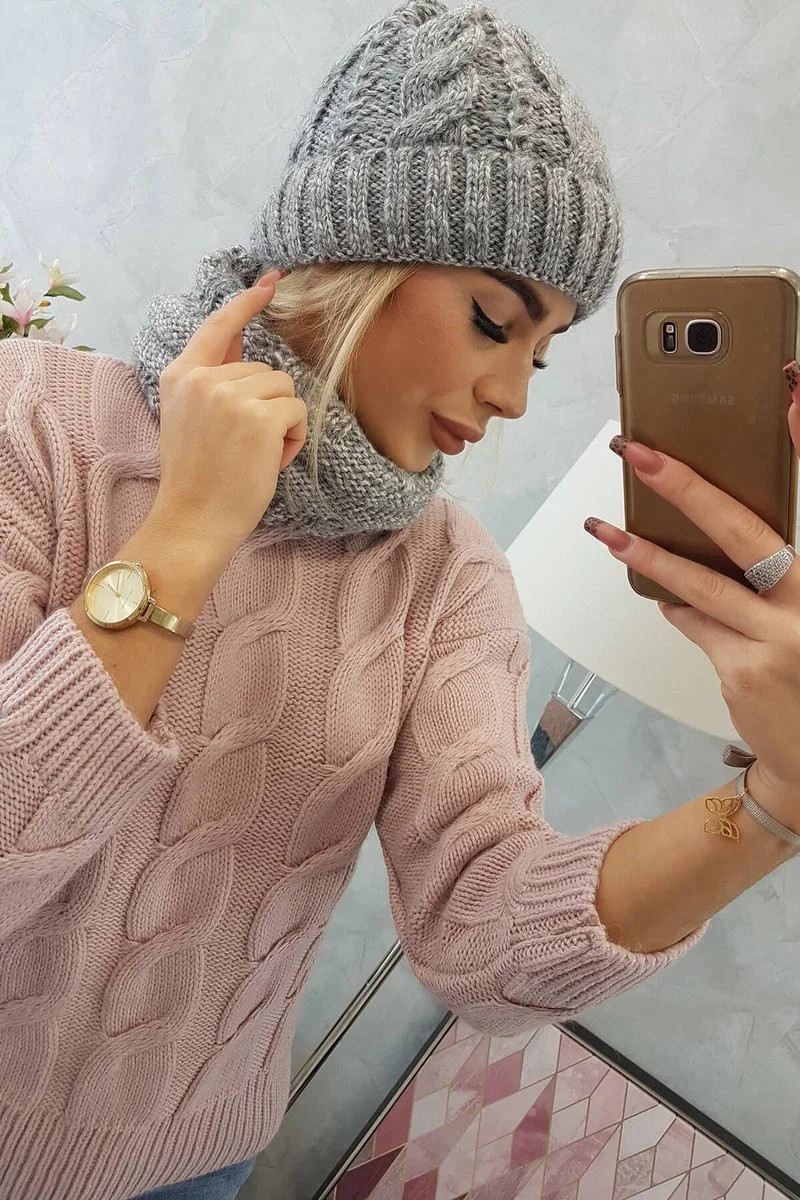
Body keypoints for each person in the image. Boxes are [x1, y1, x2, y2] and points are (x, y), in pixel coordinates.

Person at [2, 1, 800, 1197]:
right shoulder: (33, 421)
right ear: (342, 254)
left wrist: (775, 801)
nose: (515, 396)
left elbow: (483, 936)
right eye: (493, 321)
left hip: (181, 1169)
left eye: (541, 352)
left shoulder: (446, 581)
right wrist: (186, 535)